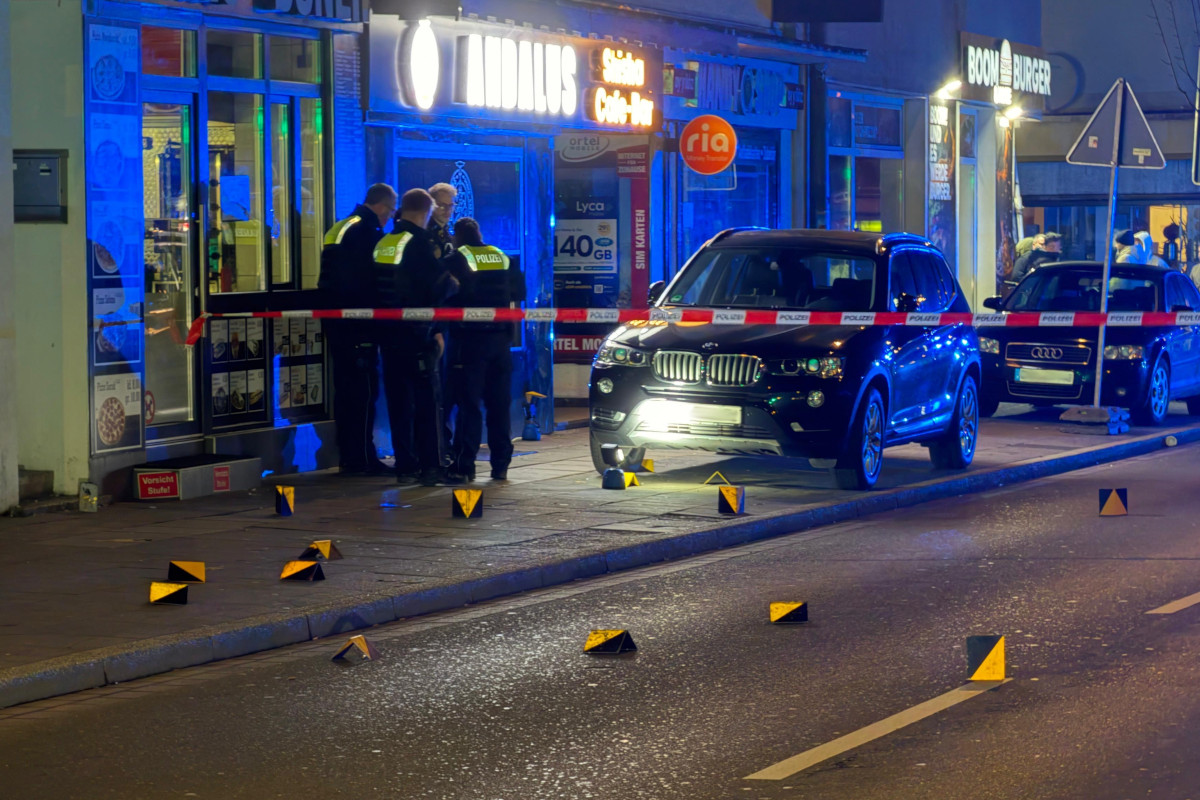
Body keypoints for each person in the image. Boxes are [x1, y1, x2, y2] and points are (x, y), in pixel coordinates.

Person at [373, 188, 461, 487]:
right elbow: (438, 286)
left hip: (388, 335)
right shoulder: (420, 242)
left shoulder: (385, 241)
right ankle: (432, 468)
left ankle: (405, 466)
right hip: (418, 334)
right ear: (425, 212)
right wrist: (452, 287)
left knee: (399, 402)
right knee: (427, 403)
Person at [317, 182, 396, 476]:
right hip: (358, 322)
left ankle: (350, 455)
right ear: (383, 206)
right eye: (389, 212)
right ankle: (362, 458)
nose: (389, 218)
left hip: (336, 320)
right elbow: (368, 279)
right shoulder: (367, 230)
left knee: (346, 390)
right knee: (363, 392)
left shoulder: (341, 225)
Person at [444, 218, 525, 482]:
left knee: (469, 405)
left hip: (469, 342)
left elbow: (445, 294)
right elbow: (518, 293)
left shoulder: (457, 257)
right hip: (500, 342)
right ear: (479, 233)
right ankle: (500, 465)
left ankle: (464, 465)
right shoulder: (501, 256)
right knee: (498, 405)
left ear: (457, 236)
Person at [427, 182, 458, 259]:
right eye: (442, 205)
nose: (447, 210)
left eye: (450, 205)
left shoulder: (448, 234)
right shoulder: (424, 234)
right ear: (431, 205)